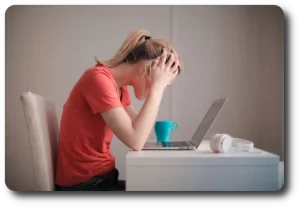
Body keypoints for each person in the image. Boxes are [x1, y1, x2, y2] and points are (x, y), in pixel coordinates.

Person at [55, 29, 183, 191]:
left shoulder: (119, 88)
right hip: (84, 185)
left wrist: (157, 87)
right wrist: (156, 88)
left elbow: (140, 134)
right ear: (145, 68)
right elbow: (135, 141)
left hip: (103, 179)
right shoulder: (97, 79)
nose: (162, 89)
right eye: (164, 83)